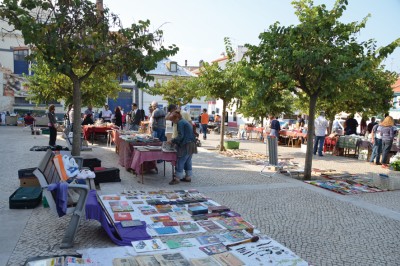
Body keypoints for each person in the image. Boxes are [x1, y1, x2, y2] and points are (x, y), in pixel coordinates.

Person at [168, 111, 197, 185]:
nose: (173, 122)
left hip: (186, 144)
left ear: (176, 118)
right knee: (188, 161)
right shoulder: (184, 121)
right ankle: (188, 177)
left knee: (180, 160)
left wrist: (173, 140)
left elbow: (181, 136)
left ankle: (177, 178)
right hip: (192, 143)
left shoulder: (180, 123)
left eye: (173, 121)